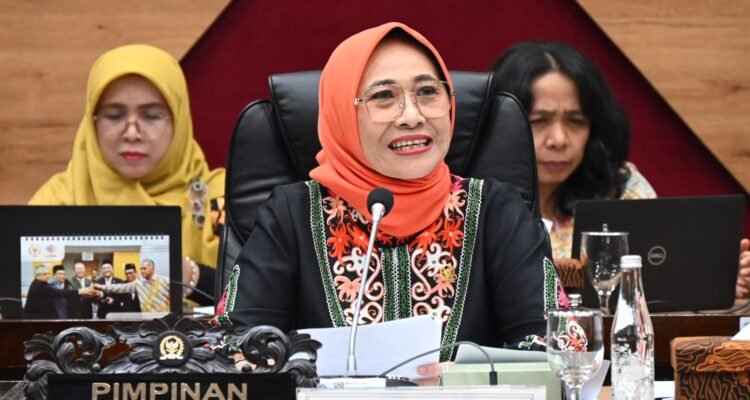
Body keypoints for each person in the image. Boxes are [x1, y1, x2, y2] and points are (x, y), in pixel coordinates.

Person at [213, 23, 566, 365]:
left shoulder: (494, 211)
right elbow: (233, 347)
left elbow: (559, 345)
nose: (412, 116)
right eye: (383, 96)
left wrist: (456, 379)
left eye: (428, 92)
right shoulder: (292, 214)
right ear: (342, 113)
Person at [490, 41, 750, 298]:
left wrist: (713, 280)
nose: (559, 140)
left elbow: (662, 281)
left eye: (576, 121)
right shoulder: (474, 195)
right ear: (500, 122)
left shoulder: (621, 188)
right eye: (539, 121)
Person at [28, 44, 225, 304]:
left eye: (152, 116)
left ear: (179, 120)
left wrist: (192, 276)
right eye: (113, 116)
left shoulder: (220, 200)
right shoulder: (57, 201)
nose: (132, 133)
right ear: (92, 122)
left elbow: (262, 297)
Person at [24, 265, 100, 319]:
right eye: (45, 274)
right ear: (38, 275)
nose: (48, 276)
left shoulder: (38, 283)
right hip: (37, 318)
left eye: (48, 273)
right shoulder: (41, 285)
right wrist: (80, 291)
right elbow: (59, 293)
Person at [95, 259, 169, 313]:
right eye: (141, 269)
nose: (142, 271)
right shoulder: (139, 284)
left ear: (153, 269)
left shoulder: (165, 281)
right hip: (145, 320)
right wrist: (102, 287)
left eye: (144, 269)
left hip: (163, 318)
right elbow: (120, 288)